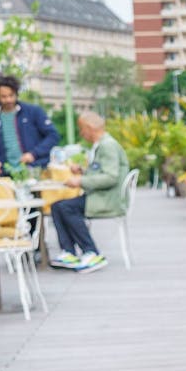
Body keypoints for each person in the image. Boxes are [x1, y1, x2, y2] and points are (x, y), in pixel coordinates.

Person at [48, 111, 126, 273]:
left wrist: (80, 181)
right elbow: (102, 172)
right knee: (57, 206)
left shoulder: (108, 146)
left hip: (108, 199)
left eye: (82, 129)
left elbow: (111, 177)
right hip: (99, 196)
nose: (82, 134)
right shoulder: (101, 145)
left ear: (89, 128)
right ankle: (69, 252)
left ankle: (92, 252)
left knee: (65, 208)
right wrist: (83, 172)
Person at [0, 74, 60, 170]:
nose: (8, 100)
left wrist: (34, 153)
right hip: (6, 173)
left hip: (34, 169)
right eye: (3, 96)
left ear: (16, 93)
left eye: (11, 95)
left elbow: (53, 136)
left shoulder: (33, 111)